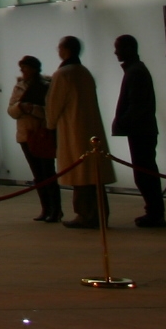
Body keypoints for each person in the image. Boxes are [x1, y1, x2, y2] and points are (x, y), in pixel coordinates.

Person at [45, 34, 116, 229]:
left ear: (65, 50)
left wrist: (50, 126)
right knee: (93, 174)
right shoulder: (84, 72)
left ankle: (85, 214)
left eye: (60, 48)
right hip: (90, 129)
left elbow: (54, 106)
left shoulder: (63, 74)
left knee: (80, 174)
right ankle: (100, 214)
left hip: (72, 130)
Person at [112, 34, 166, 228]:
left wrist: (123, 122)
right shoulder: (136, 70)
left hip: (140, 130)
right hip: (143, 129)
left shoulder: (135, 72)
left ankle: (154, 213)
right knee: (146, 172)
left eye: (118, 47)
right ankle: (154, 212)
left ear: (128, 48)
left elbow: (137, 105)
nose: (115, 52)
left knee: (144, 174)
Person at [8, 54, 61, 222]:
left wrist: (32, 110)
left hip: (41, 133)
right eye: (21, 68)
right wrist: (21, 107)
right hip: (25, 134)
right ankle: (45, 208)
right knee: (38, 174)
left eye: (25, 68)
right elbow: (11, 110)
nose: (22, 71)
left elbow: (50, 112)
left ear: (34, 69)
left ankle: (56, 209)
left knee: (48, 172)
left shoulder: (46, 86)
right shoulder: (19, 87)